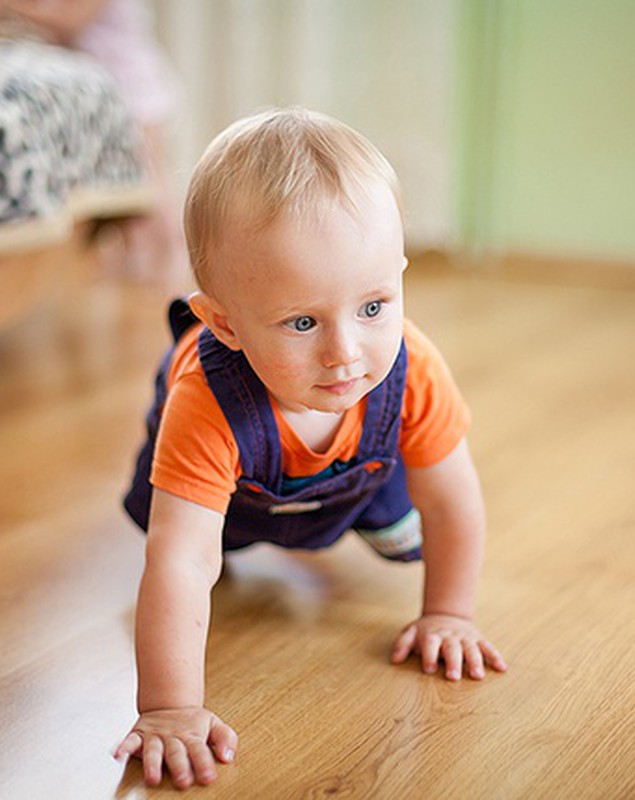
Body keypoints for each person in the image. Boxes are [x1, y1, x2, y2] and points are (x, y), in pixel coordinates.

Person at [115, 107, 508, 789]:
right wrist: (169, 709)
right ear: (225, 322)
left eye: (375, 306)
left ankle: (372, 508)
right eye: (302, 321)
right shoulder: (206, 402)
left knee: (408, 515)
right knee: (187, 539)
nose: (346, 353)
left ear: (402, 275)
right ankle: (253, 513)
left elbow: (453, 506)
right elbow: (181, 562)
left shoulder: (411, 369)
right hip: (234, 492)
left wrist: (448, 613)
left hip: (359, 466)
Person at [0, 0, 185, 282]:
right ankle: (136, 288)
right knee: (129, 206)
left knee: (152, 200)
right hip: (113, 90)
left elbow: (68, 21)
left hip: (133, 89)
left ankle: (172, 285)